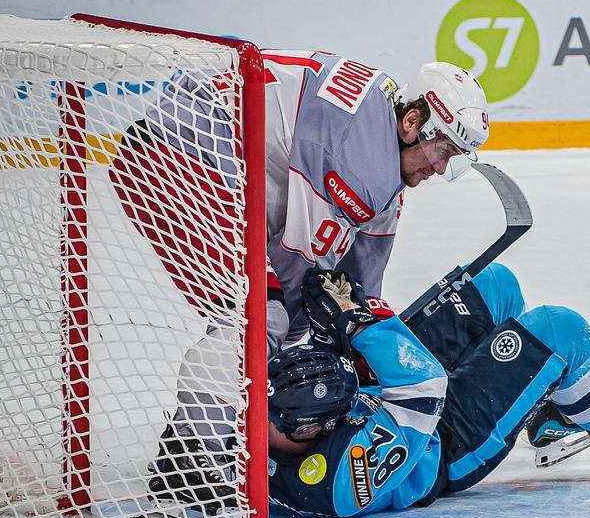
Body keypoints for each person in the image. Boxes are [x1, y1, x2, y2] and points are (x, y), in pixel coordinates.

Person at [151, 263, 590, 518]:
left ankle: (545, 394)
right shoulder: (334, 480)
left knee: (497, 286)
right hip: (444, 442)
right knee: (561, 330)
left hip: (387, 397)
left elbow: (335, 386)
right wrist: (359, 319)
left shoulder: (269, 418)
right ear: (314, 427)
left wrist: (331, 328)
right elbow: (422, 386)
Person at [110, 55, 489, 357]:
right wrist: (292, 350)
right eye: (442, 152)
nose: (440, 169)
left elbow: (358, 283)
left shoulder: (382, 137)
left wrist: (363, 322)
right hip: (171, 163)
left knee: (269, 318)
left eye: (452, 159)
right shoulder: (362, 163)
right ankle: (193, 443)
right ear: (411, 121)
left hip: (205, 159)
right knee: (262, 321)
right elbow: (299, 267)